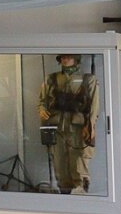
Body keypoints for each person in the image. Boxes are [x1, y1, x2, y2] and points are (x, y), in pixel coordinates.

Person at [39, 53, 96, 193]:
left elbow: (94, 106)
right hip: (57, 128)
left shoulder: (88, 79)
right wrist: (41, 109)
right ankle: (65, 196)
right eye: (63, 57)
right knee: (59, 166)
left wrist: (90, 126)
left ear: (76, 59)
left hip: (77, 129)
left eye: (69, 57)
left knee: (79, 166)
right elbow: (42, 100)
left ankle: (81, 195)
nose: (65, 60)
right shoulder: (51, 79)